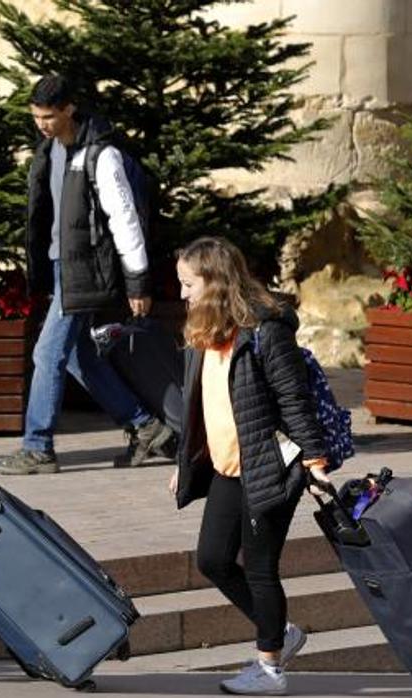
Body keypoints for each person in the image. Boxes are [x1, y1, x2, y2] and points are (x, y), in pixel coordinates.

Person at [168, 237, 333, 695]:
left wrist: (316, 462)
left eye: (188, 284)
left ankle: (269, 668)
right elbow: (201, 406)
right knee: (213, 560)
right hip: (227, 466)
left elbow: (294, 400)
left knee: (260, 568)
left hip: (271, 467)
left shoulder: (266, 329)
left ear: (215, 282)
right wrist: (186, 462)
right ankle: (281, 632)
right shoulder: (205, 327)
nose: (182, 294)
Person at [0, 74, 174, 476]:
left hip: (86, 273)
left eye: (49, 116)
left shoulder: (100, 155)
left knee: (46, 354)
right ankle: (146, 426)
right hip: (62, 268)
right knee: (76, 357)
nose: (41, 123)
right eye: (36, 116)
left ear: (69, 108)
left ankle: (38, 448)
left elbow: (125, 220)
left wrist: (138, 281)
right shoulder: (50, 149)